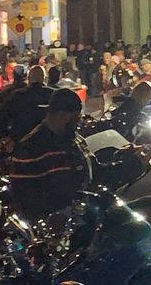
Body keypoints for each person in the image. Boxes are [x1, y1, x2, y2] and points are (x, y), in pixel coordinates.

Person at [8, 89, 92, 223]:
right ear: (62, 115)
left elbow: (91, 173)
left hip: (78, 218)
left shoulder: (73, 140)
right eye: (76, 117)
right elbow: (25, 198)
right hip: (52, 225)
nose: (79, 122)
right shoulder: (32, 147)